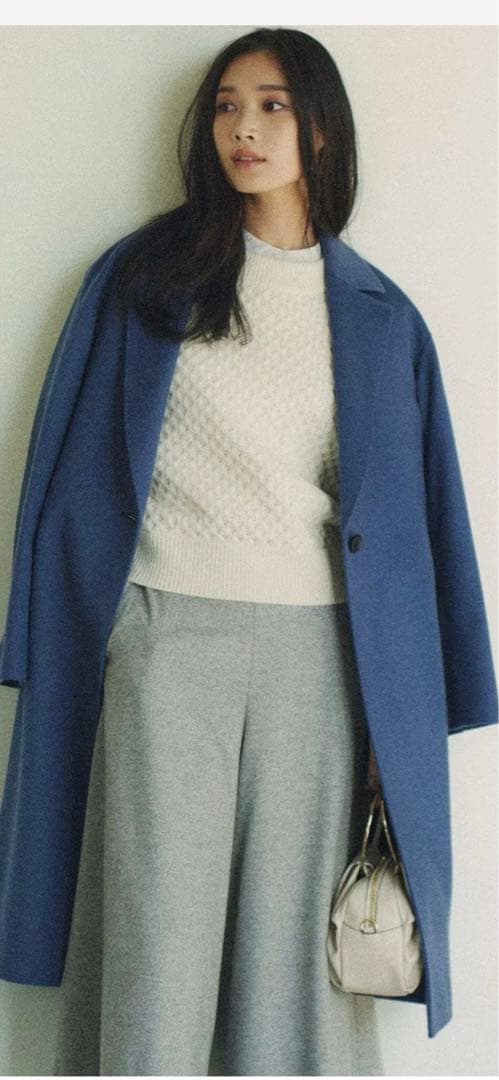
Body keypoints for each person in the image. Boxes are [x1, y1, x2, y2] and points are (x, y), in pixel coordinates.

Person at [0, 24, 496, 1078]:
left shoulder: (381, 318)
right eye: (227, 105)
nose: (244, 127)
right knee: (155, 938)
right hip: (162, 638)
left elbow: (418, 527)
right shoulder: (143, 282)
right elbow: (63, 479)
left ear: (320, 130)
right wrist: (56, 634)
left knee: (289, 970)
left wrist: (404, 707)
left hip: (320, 661)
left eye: (272, 105)